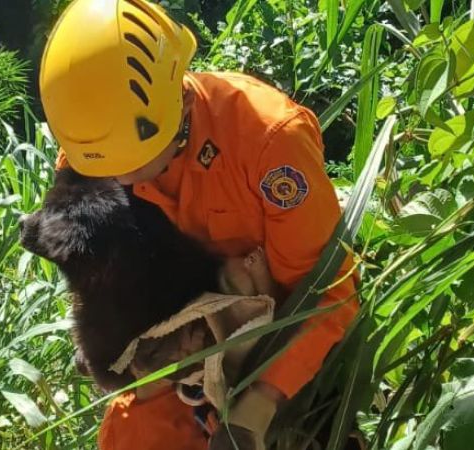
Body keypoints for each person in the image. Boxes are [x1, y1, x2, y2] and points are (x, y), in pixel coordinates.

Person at [38, 0, 359, 448]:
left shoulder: (266, 143)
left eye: (132, 163)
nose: (122, 176)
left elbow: (327, 294)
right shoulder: (93, 151)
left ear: (174, 102)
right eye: (108, 164)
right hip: (176, 357)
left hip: (277, 348)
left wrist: (257, 406)